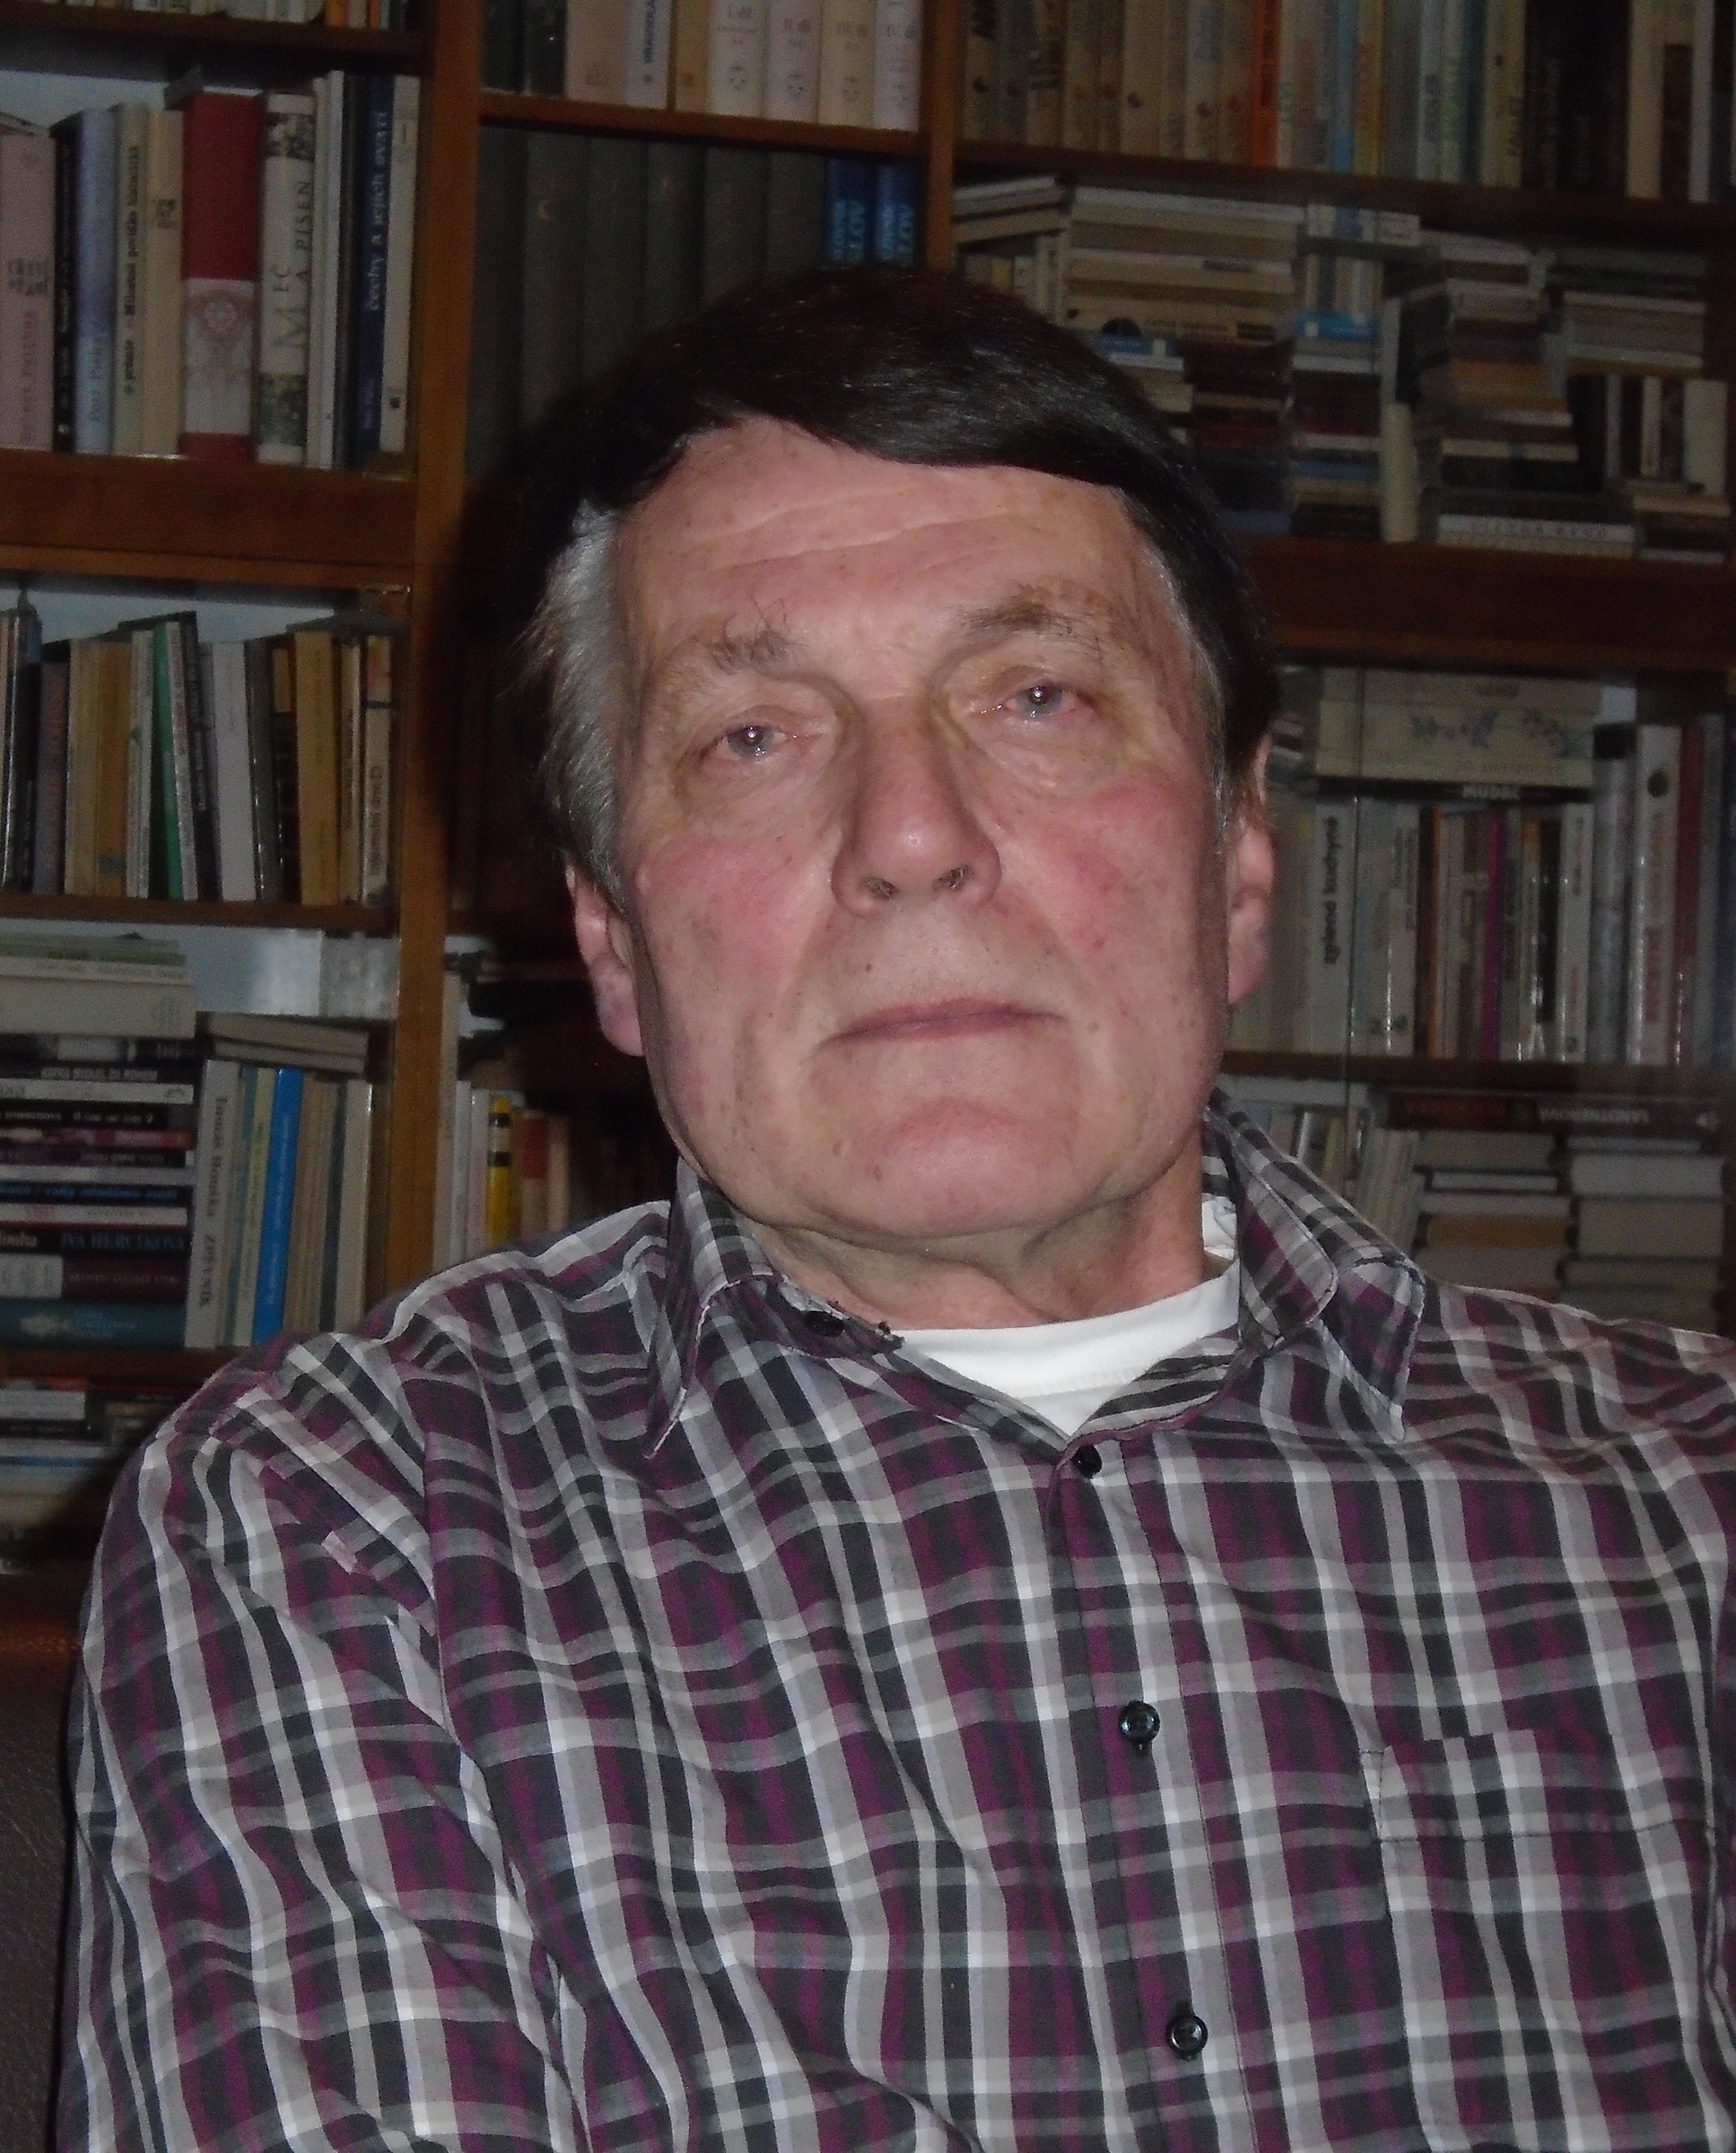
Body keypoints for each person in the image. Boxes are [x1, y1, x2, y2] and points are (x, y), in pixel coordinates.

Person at [63, 268, 1736, 2153]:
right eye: (754, 736)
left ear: (1239, 858)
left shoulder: (1692, 1499)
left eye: (1034, 697)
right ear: (612, 940)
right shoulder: (344, 1522)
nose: (912, 836)